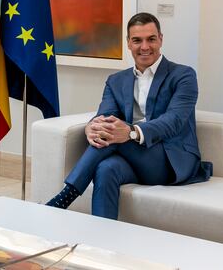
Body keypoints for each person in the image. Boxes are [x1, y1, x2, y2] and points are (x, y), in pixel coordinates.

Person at [46, 12, 212, 219]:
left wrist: (131, 133)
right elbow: (105, 116)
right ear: (128, 43)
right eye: (137, 40)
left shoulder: (183, 75)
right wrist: (91, 127)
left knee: (116, 134)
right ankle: (102, 242)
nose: (145, 47)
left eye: (151, 39)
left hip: (169, 159)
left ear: (161, 39)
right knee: (106, 168)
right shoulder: (116, 80)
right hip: (132, 160)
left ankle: (65, 196)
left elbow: (174, 121)